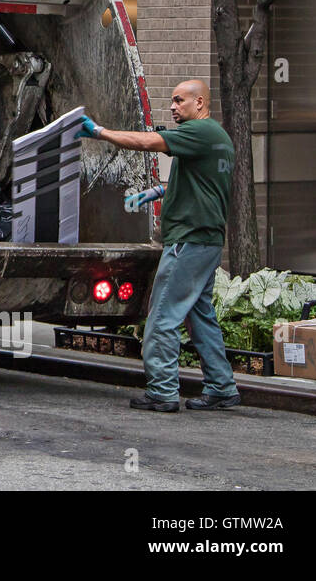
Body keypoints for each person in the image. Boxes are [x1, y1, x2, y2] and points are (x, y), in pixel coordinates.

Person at [75, 79, 241, 412]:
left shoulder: (198, 133)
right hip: (206, 241)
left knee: (163, 316)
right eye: (172, 101)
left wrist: (100, 132)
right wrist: (158, 192)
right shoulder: (219, 139)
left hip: (189, 241)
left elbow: (147, 141)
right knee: (200, 315)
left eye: (180, 101)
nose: (173, 107)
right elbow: (205, 184)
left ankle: (163, 391)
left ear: (200, 103)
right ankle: (222, 387)